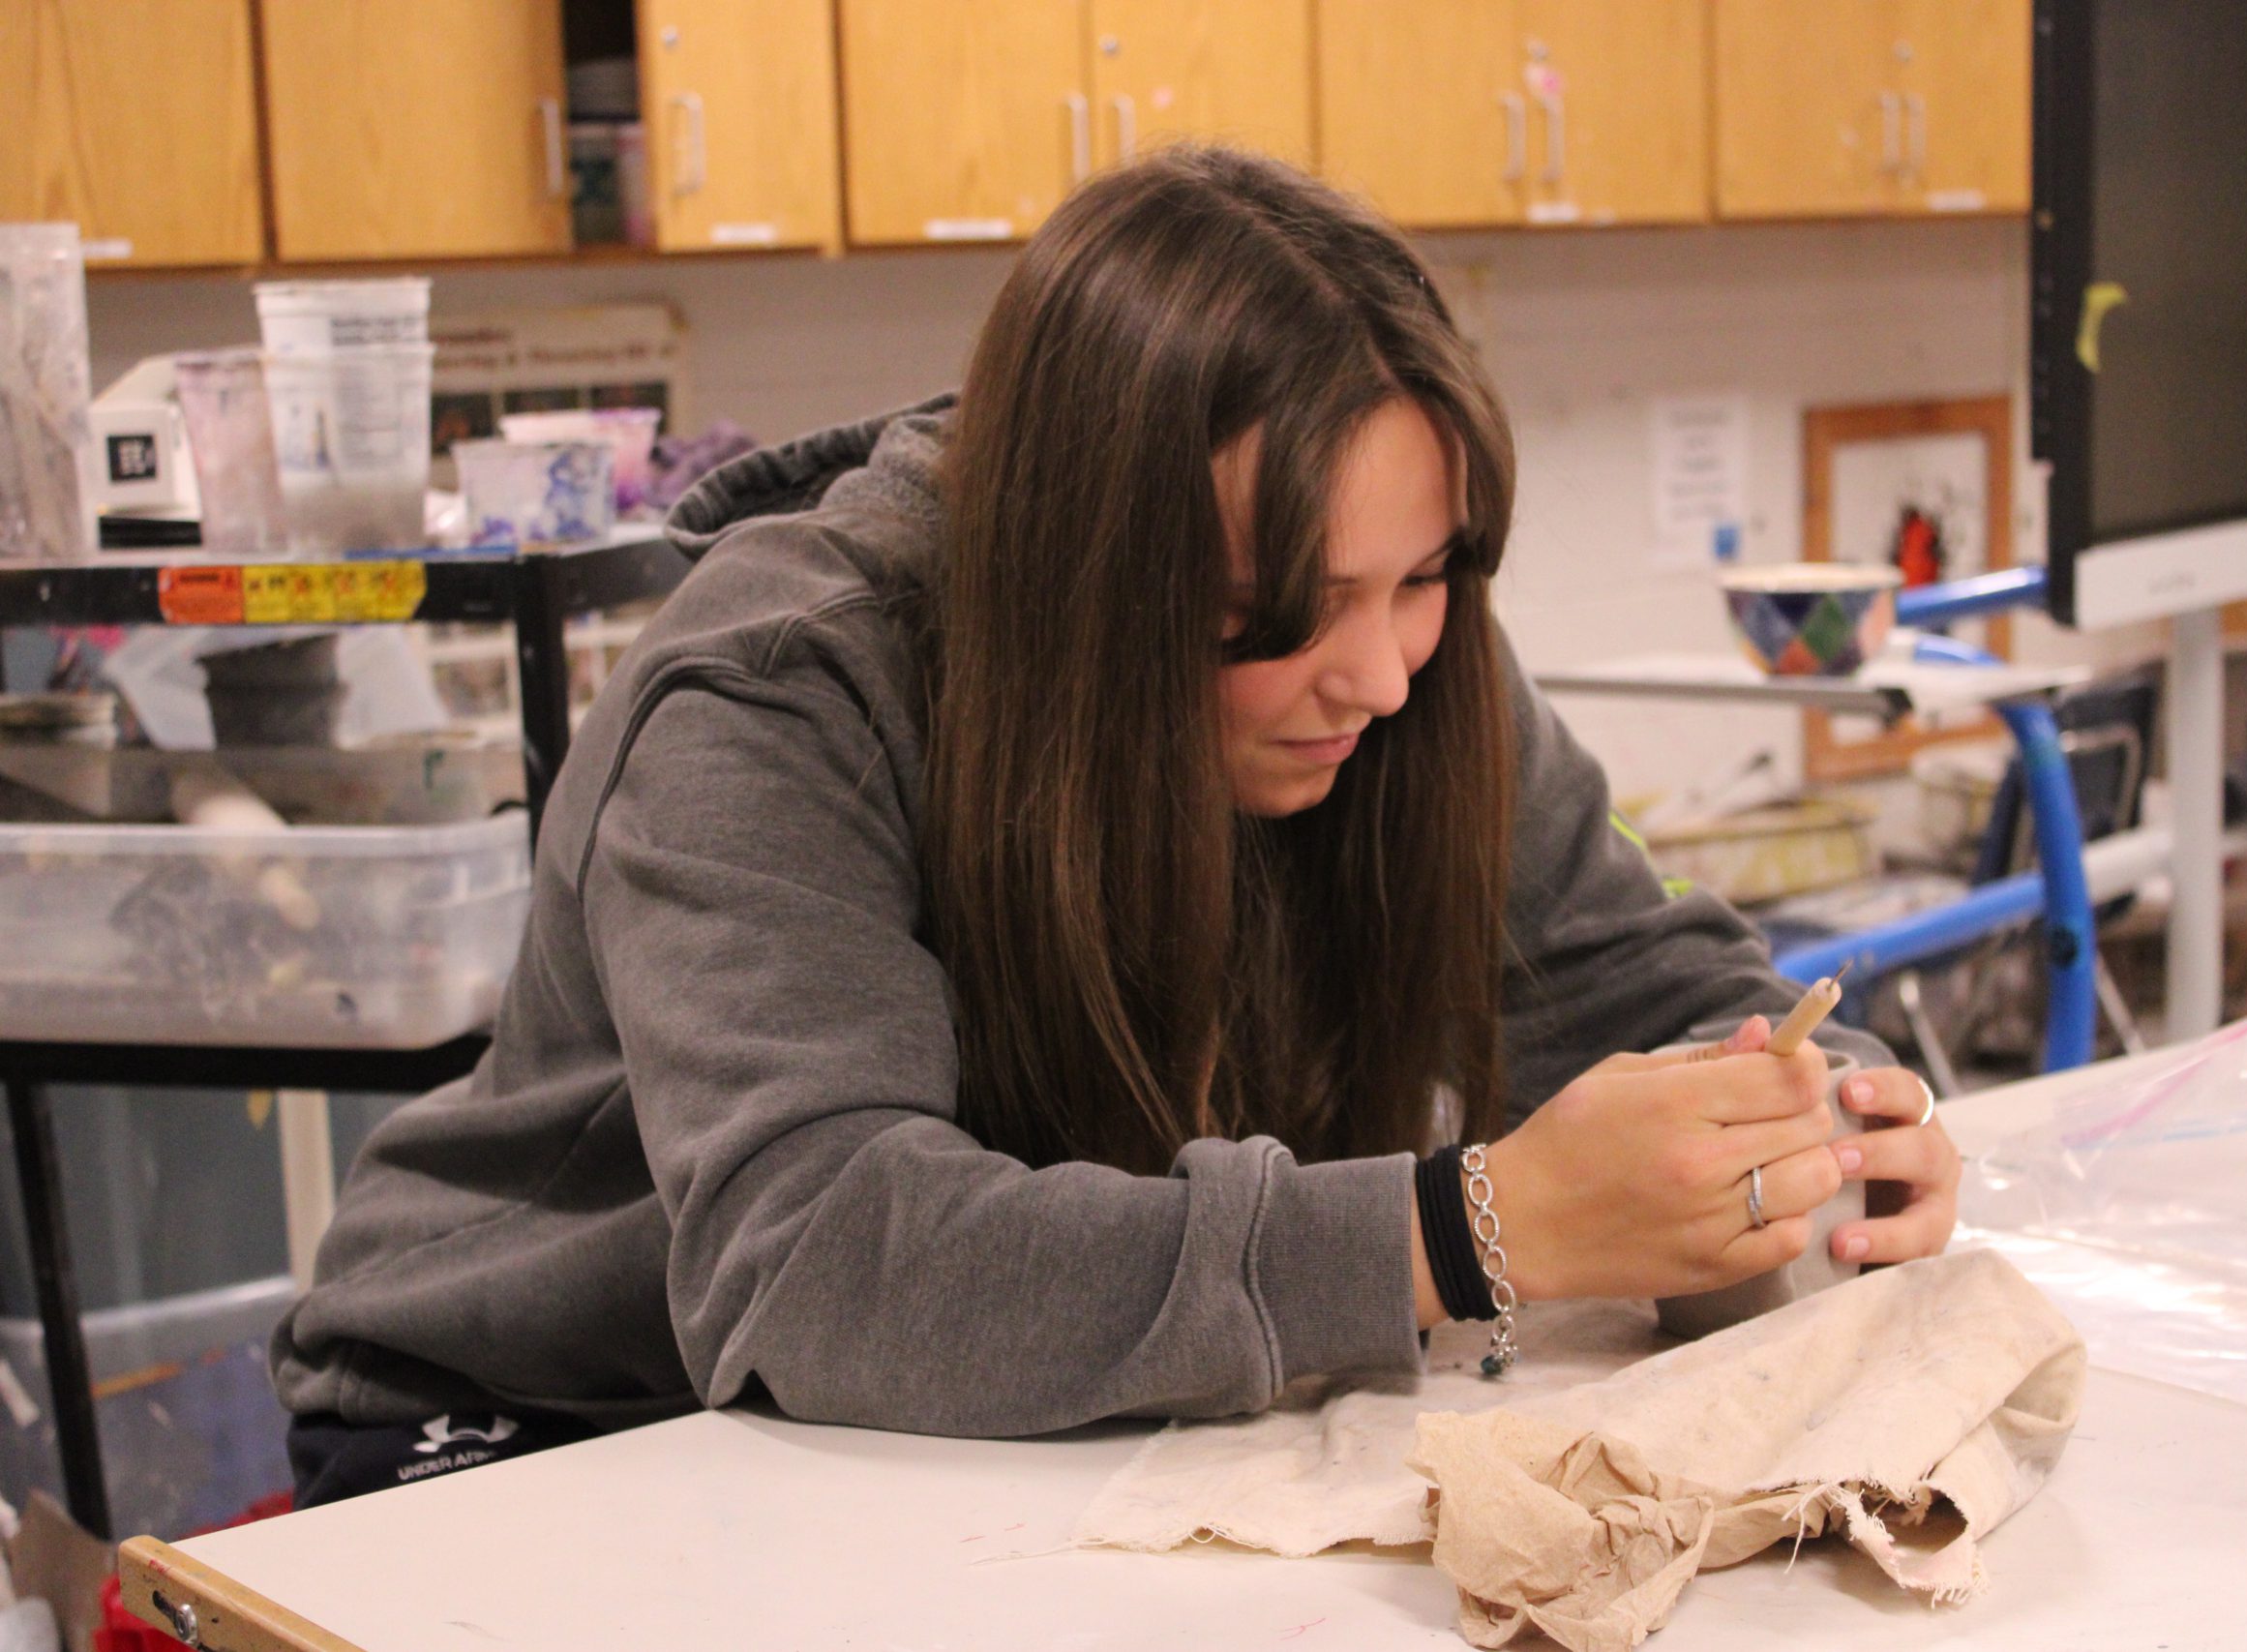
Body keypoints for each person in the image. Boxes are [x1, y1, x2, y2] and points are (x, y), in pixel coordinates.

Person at [274, 147, 1956, 1507]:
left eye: (1424, 579)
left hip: (968, 1416)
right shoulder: (776, 693)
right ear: (1094, 580)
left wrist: (1827, 1130)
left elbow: (1649, 976)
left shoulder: (1391, 661)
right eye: (1280, 609)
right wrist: (1460, 1227)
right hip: (555, 1414)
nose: (1372, 672)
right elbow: (830, 1266)